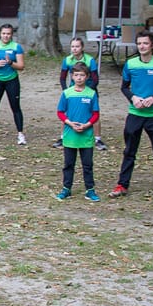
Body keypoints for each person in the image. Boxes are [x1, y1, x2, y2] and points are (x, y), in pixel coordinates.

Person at [109, 30, 153, 201]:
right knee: (129, 151)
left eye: (145, 43)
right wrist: (133, 98)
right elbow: (124, 87)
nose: (142, 46)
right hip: (135, 114)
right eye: (139, 44)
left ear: (152, 45)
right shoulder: (130, 64)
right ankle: (122, 185)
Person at [54, 63, 101, 202]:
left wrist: (87, 125)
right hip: (70, 136)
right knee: (69, 164)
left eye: (82, 75)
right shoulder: (67, 93)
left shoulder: (91, 93)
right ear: (72, 76)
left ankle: (90, 190)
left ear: (87, 77)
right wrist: (69, 123)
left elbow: (96, 114)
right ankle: (66, 188)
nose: (79, 78)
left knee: (87, 165)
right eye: (76, 75)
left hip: (86, 136)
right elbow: (60, 112)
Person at [53, 37, 107, 151]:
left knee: (94, 114)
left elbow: (95, 79)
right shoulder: (67, 60)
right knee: (67, 113)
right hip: (73, 91)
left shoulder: (90, 60)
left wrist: (88, 91)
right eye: (72, 46)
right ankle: (63, 137)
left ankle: (97, 139)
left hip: (89, 89)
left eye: (77, 46)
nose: (74, 49)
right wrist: (66, 91)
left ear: (82, 48)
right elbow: (62, 78)